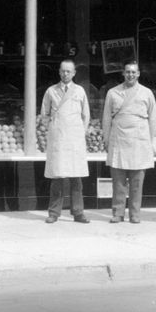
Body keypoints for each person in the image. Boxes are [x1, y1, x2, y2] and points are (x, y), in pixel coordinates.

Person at [101, 60, 156, 224]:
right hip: (119, 138)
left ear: (139, 74)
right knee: (118, 181)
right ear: (123, 73)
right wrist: (106, 139)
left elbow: (154, 118)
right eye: (127, 72)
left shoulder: (147, 93)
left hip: (139, 140)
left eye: (133, 72)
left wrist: (148, 139)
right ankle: (118, 213)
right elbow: (106, 118)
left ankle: (135, 214)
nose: (130, 75)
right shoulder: (113, 93)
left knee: (136, 181)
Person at [40, 59, 90, 224]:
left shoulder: (80, 91)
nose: (65, 74)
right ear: (59, 72)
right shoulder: (51, 91)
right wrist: (54, 127)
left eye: (69, 71)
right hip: (59, 138)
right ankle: (54, 212)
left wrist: (80, 132)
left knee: (76, 178)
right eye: (63, 71)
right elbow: (44, 114)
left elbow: (86, 115)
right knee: (57, 177)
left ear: (74, 73)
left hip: (74, 138)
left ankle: (78, 212)